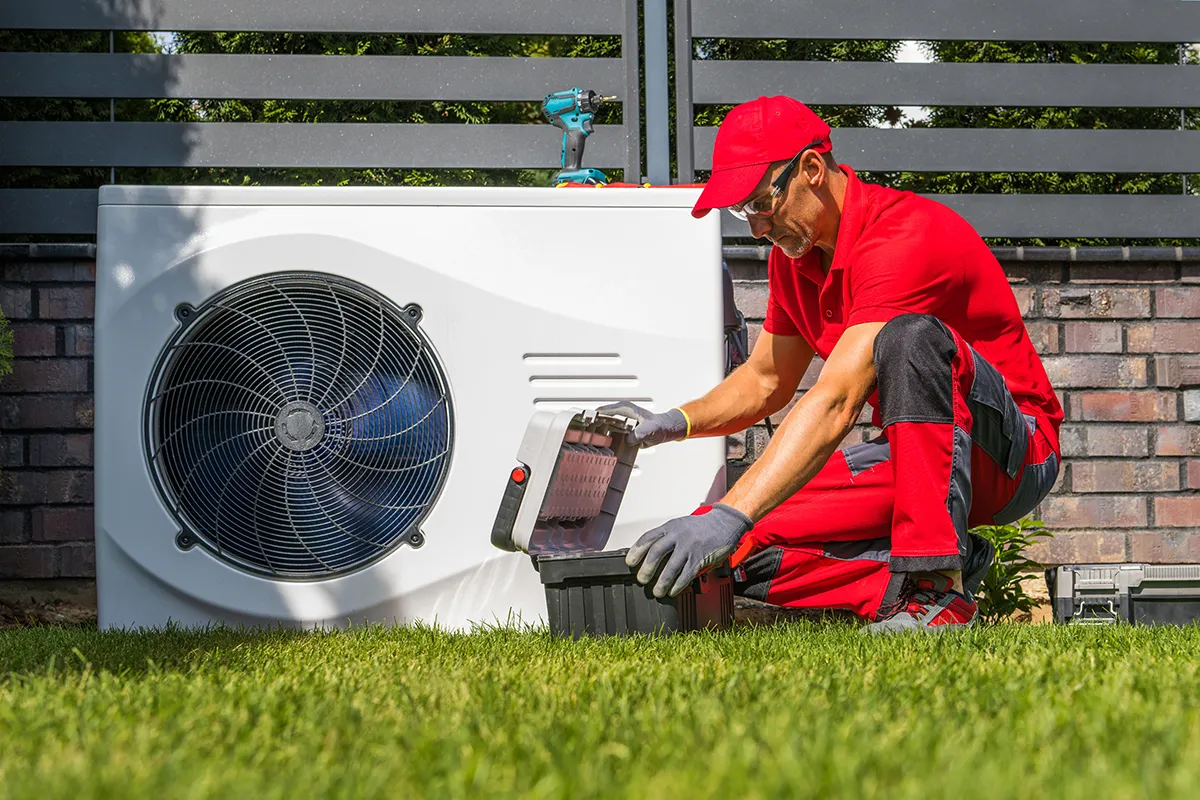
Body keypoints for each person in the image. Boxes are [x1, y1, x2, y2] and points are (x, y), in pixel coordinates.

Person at [599, 96, 1062, 633]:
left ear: (812, 169)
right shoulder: (793, 261)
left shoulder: (903, 236)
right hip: (917, 460)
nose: (756, 228)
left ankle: (936, 589)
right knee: (734, 547)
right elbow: (765, 380)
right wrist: (671, 423)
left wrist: (731, 511)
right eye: (743, 212)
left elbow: (838, 398)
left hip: (1011, 454)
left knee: (909, 338)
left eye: (761, 203)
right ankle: (930, 572)